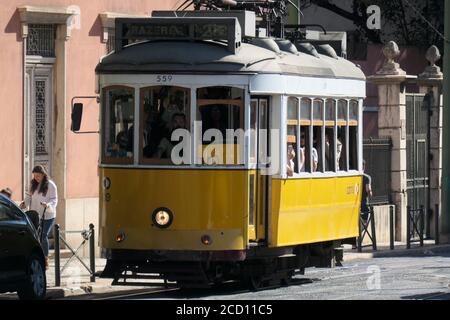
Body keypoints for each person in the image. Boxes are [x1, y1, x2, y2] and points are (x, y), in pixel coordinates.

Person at [20, 165, 58, 268]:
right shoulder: (33, 184)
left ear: (43, 175)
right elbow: (28, 197)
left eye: (38, 176)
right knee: (35, 236)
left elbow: (54, 200)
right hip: (35, 214)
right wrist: (24, 204)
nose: (36, 178)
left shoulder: (51, 185)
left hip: (48, 215)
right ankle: (36, 257)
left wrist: (48, 205)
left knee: (43, 235)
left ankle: (45, 259)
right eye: (35, 176)